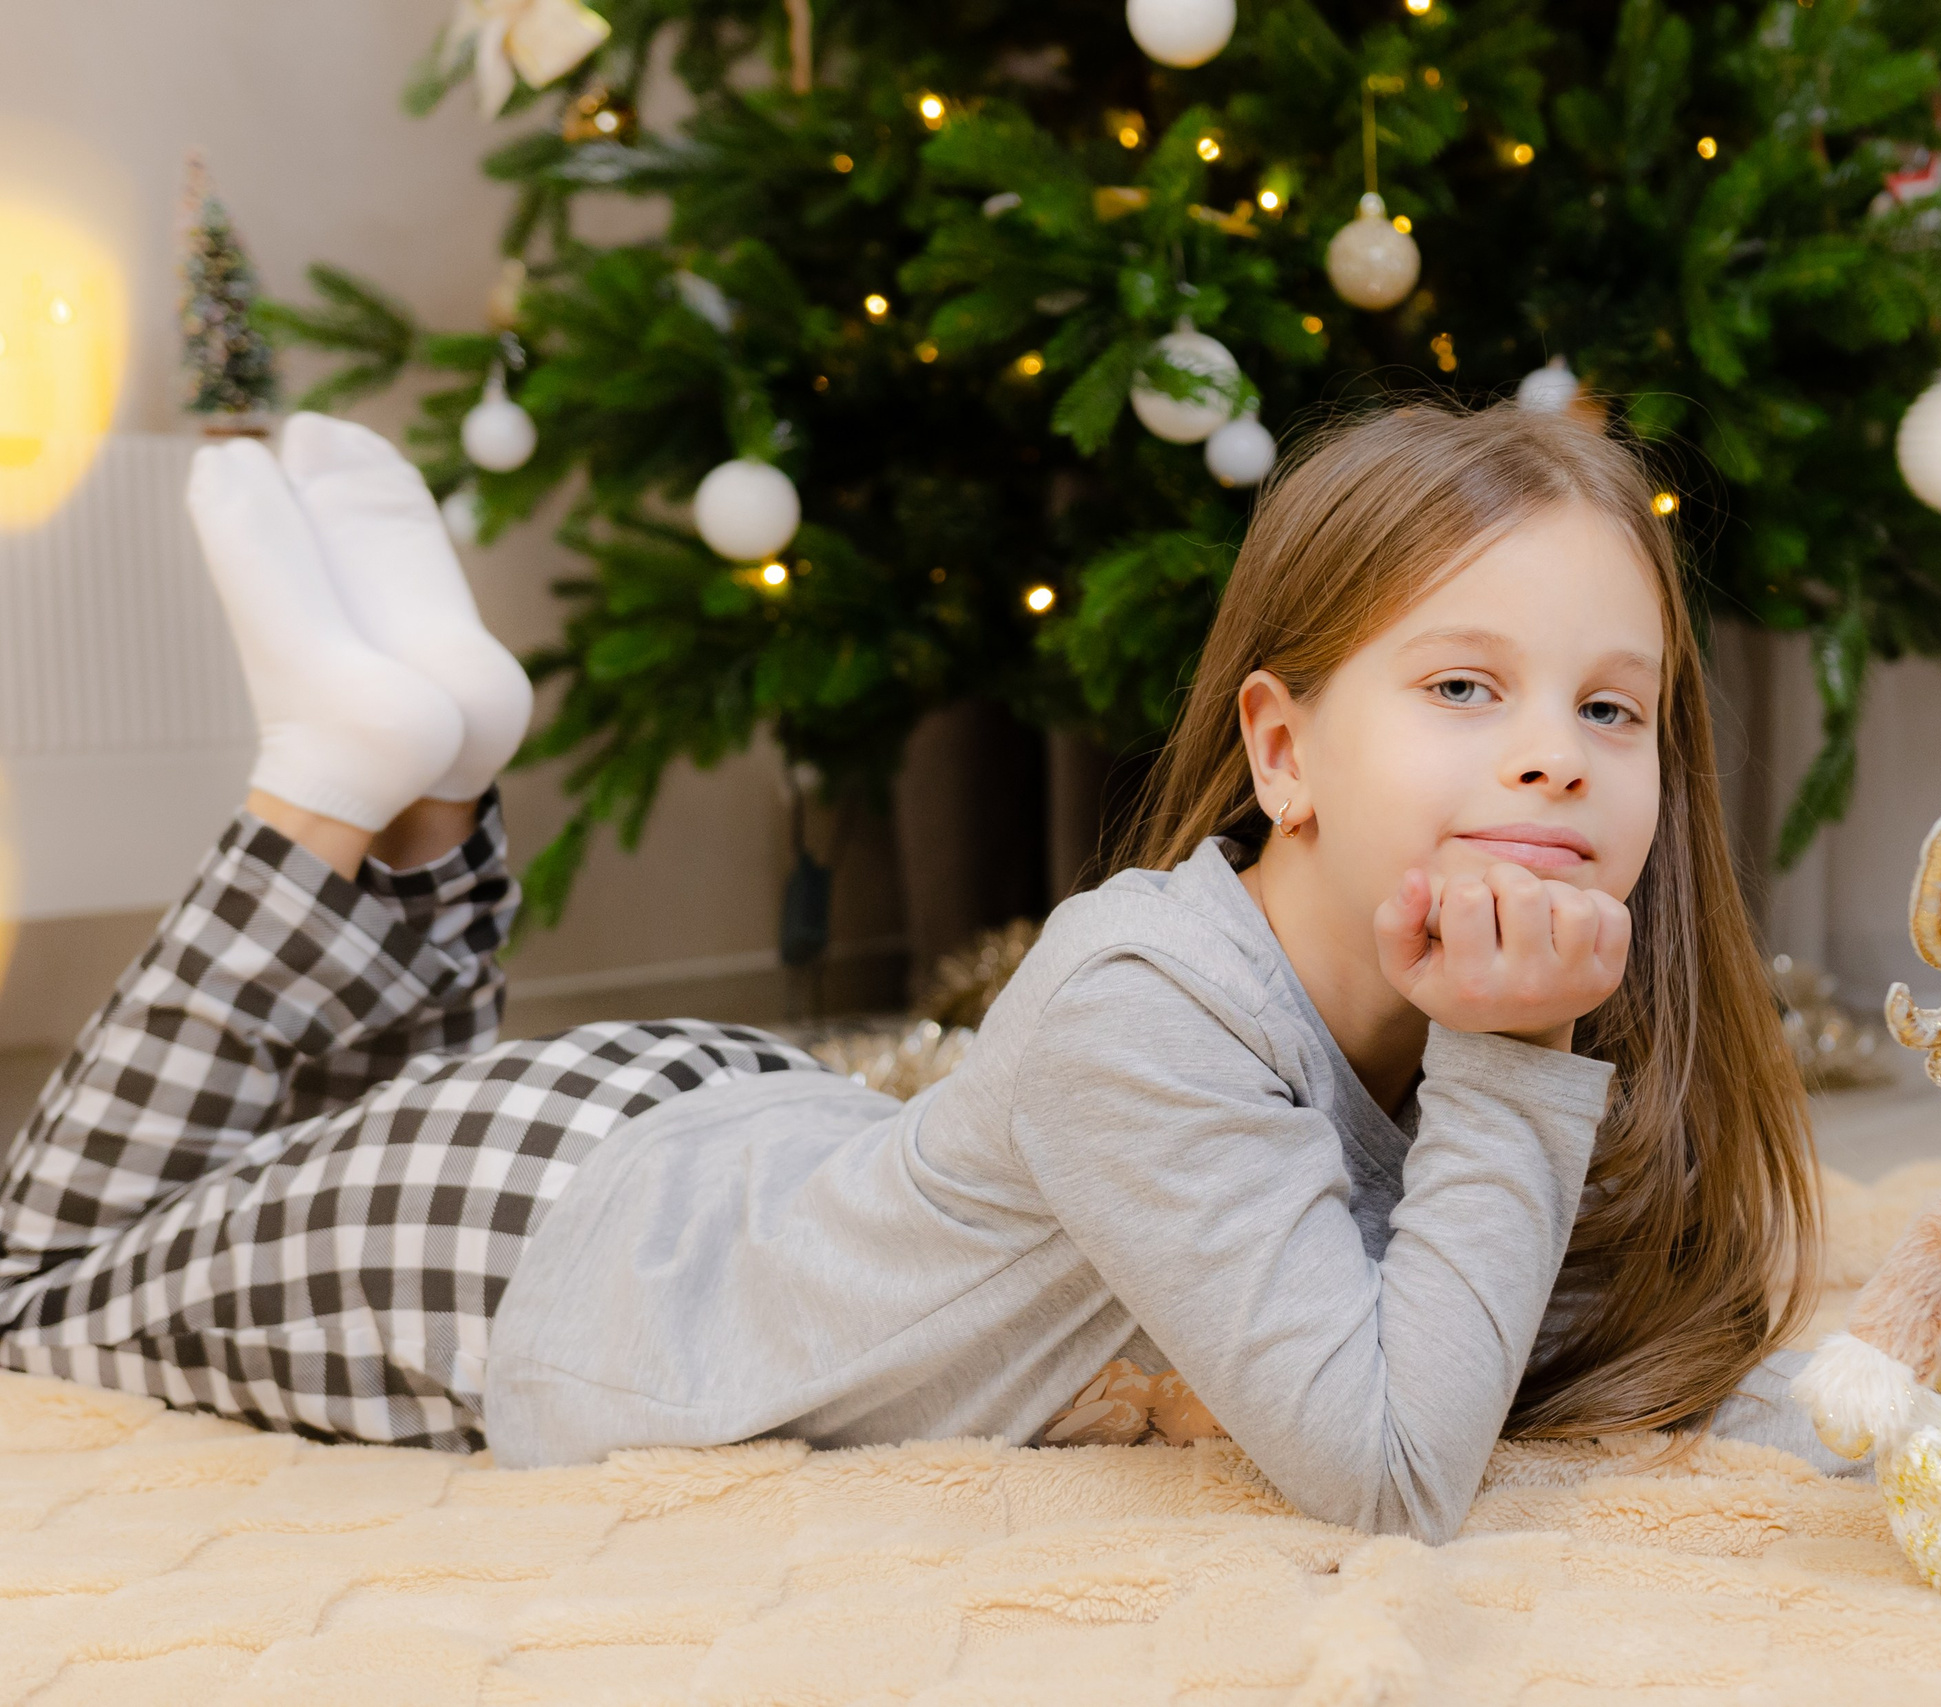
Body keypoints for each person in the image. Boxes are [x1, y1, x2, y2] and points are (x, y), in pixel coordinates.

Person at [0, 401, 1829, 1542]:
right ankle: (329, 783)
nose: (1553, 757)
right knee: (32, 1289)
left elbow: (1497, 1321)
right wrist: (1516, 1051)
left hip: (698, 1136)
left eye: (1612, 707)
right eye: (1462, 687)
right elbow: (1390, 1467)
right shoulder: (1152, 1007)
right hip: (522, 1248)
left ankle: (426, 781)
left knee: (254, 1148)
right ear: (1282, 755)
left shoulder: (1408, 983)